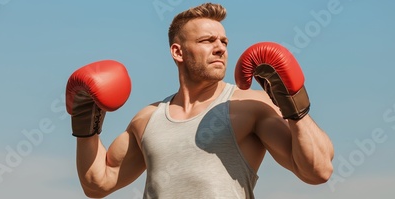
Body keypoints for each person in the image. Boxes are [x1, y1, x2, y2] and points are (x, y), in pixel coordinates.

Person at [66, 2, 334, 198]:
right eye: (207, 40)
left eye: (224, 42)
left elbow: (317, 171)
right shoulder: (148, 118)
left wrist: (293, 104)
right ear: (178, 52)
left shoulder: (249, 105)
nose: (220, 48)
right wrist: (85, 118)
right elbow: (98, 183)